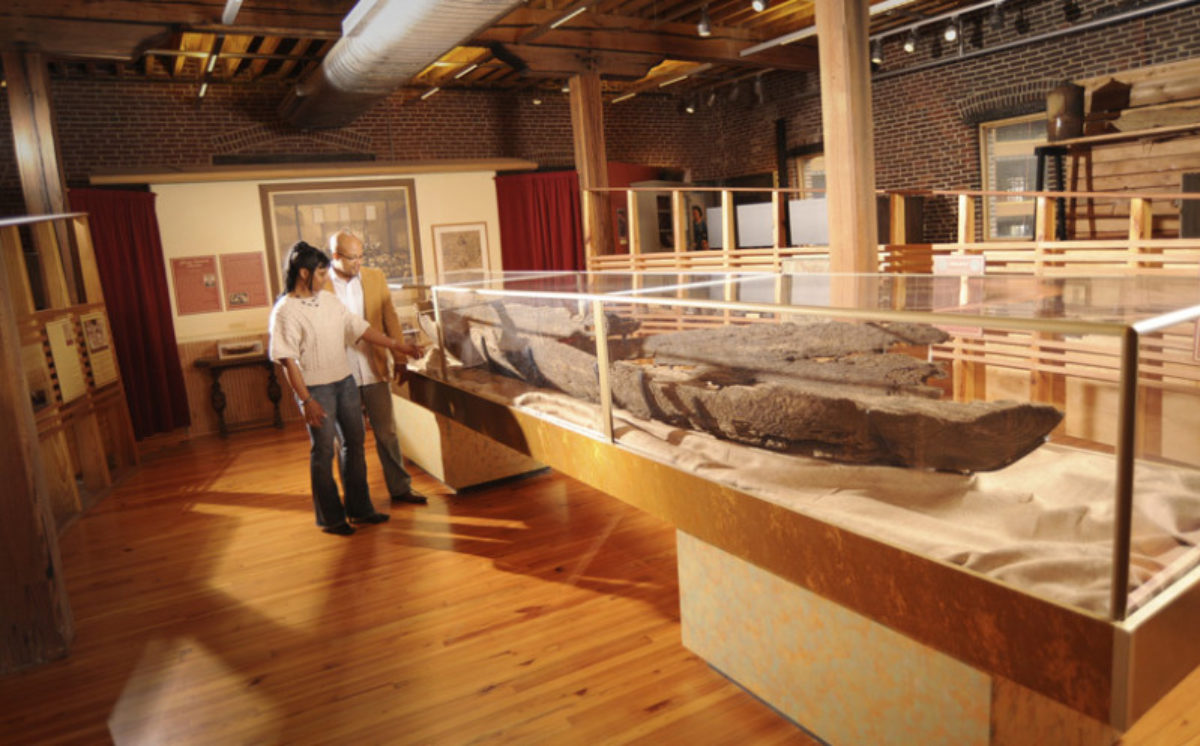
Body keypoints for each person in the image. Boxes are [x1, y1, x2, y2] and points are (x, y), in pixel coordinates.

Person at [268, 241, 417, 536]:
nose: (326, 280)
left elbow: (360, 328)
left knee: (355, 445)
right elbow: (288, 362)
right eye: (321, 274)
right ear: (303, 273)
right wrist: (306, 400)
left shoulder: (329, 301)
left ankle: (360, 510)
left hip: (344, 381)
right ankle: (331, 519)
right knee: (323, 452)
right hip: (315, 389)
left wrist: (399, 346)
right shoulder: (285, 310)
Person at [326, 229, 427, 505]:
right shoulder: (319, 284)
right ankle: (356, 499)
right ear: (335, 256)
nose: (358, 263)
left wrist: (402, 359)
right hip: (339, 373)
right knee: (348, 440)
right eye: (351, 258)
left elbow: (389, 318)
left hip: (374, 368)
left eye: (361, 256)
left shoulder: (375, 277)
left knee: (387, 432)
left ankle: (401, 488)